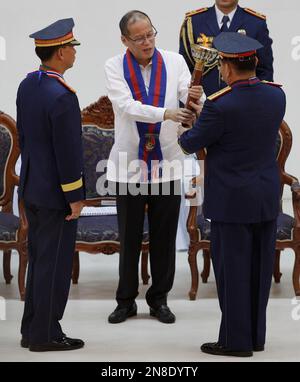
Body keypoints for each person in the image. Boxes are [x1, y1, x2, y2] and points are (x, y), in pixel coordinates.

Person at [178, 32, 286, 357]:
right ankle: (255, 337)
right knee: (259, 272)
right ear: (254, 62)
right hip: (266, 197)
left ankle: (235, 343)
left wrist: (190, 125)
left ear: (226, 67)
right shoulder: (275, 97)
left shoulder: (220, 105)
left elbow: (189, 144)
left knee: (233, 273)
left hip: (231, 202)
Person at [105, 10, 202, 324]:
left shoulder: (174, 61)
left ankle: (159, 299)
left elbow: (187, 97)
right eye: (139, 38)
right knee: (129, 237)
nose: (147, 42)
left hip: (169, 163)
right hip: (129, 166)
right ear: (125, 40)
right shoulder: (114, 66)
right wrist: (167, 114)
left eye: (150, 34)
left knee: (163, 237)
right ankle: (125, 301)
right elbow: (126, 107)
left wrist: (195, 100)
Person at [17, 18, 85, 352]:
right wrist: (74, 197)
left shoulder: (28, 85)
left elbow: (27, 140)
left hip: (32, 187)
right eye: (71, 47)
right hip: (57, 195)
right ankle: (45, 335)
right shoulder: (62, 96)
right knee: (54, 266)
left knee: (40, 262)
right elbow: (68, 153)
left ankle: (32, 328)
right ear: (60, 52)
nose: (74, 52)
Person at [179, 0, 274, 96]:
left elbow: (264, 70)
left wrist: (260, 100)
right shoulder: (195, 21)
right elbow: (185, 69)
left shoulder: (255, 23)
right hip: (203, 101)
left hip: (244, 100)